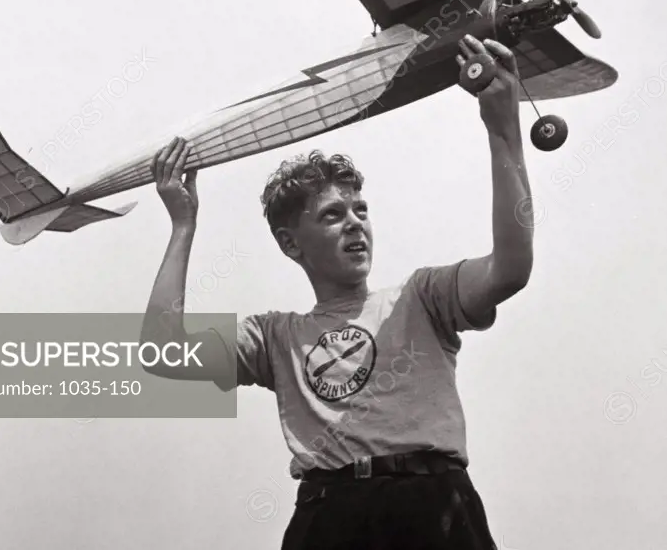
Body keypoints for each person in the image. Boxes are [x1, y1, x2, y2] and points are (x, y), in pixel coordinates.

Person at [140, 34, 534, 548]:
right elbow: (161, 349)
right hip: (331, 515)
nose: (355, 225)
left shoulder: (424, 296)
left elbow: (511, 268)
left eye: (361, 211)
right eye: (332, 215)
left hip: (433, 502)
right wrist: (182, 225)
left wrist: (503, 126)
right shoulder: (276, 337)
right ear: (290, 244)